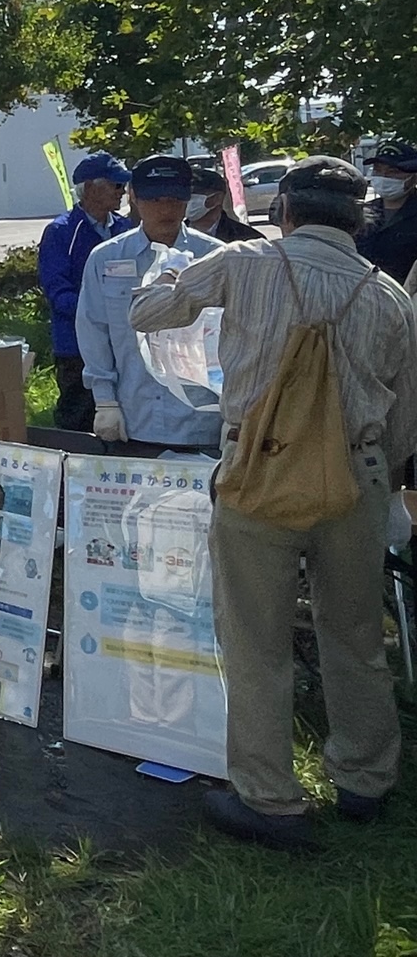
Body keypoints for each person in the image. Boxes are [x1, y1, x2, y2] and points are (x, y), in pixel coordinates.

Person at [130, 157, 417, 848]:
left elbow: (148, 313)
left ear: (283, 208)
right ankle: (365, 781)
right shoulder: (389, 295)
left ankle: (269, 798)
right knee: (354, 636)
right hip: (357, 477)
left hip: (257, 476)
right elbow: (406, 419)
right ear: (361, 217)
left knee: (255, 642)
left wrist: (169, 275)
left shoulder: (244, 262)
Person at [76, 154, 223, 455]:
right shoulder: (107, 258)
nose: (166, 209)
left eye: (175, 200)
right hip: (134, 421)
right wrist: (105, 400)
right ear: (134, 198)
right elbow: (94, 330)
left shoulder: (217, 257)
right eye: (154, 200)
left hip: (203, 421)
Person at [39, 154, 135, 432]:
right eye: (116, 185)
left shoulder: (124, 228)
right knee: (78, 419)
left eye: (123, 186)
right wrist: (100, 311)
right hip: (76, 346)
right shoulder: (61, 231)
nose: (122, 192)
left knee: (124, 416)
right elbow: (57, 291)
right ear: (91, 188)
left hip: (122, 342)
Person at [360, 138, 417, 283]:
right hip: (362, 295)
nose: (384, 177)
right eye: (378, 170)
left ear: (413, 176)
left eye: (394, 172)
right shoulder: (360, 213)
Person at [188, 166, 262, 244]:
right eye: (185, 194)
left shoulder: (249, 239)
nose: (187, 200)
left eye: (194, 194)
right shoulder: (176, 234)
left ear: (217, 198)